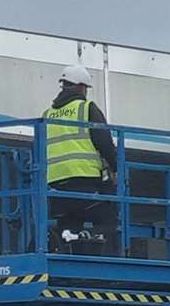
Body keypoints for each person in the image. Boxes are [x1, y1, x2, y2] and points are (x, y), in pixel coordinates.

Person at [42, 63, 118, 253]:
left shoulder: (47, 115)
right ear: (80, 87)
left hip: (56, 187)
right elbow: (104, 142)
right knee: (109, 218)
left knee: (69, 225)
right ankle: (106, 255)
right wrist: (118, 168)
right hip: (85, 183)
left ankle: (72, 250)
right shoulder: (86, 108)